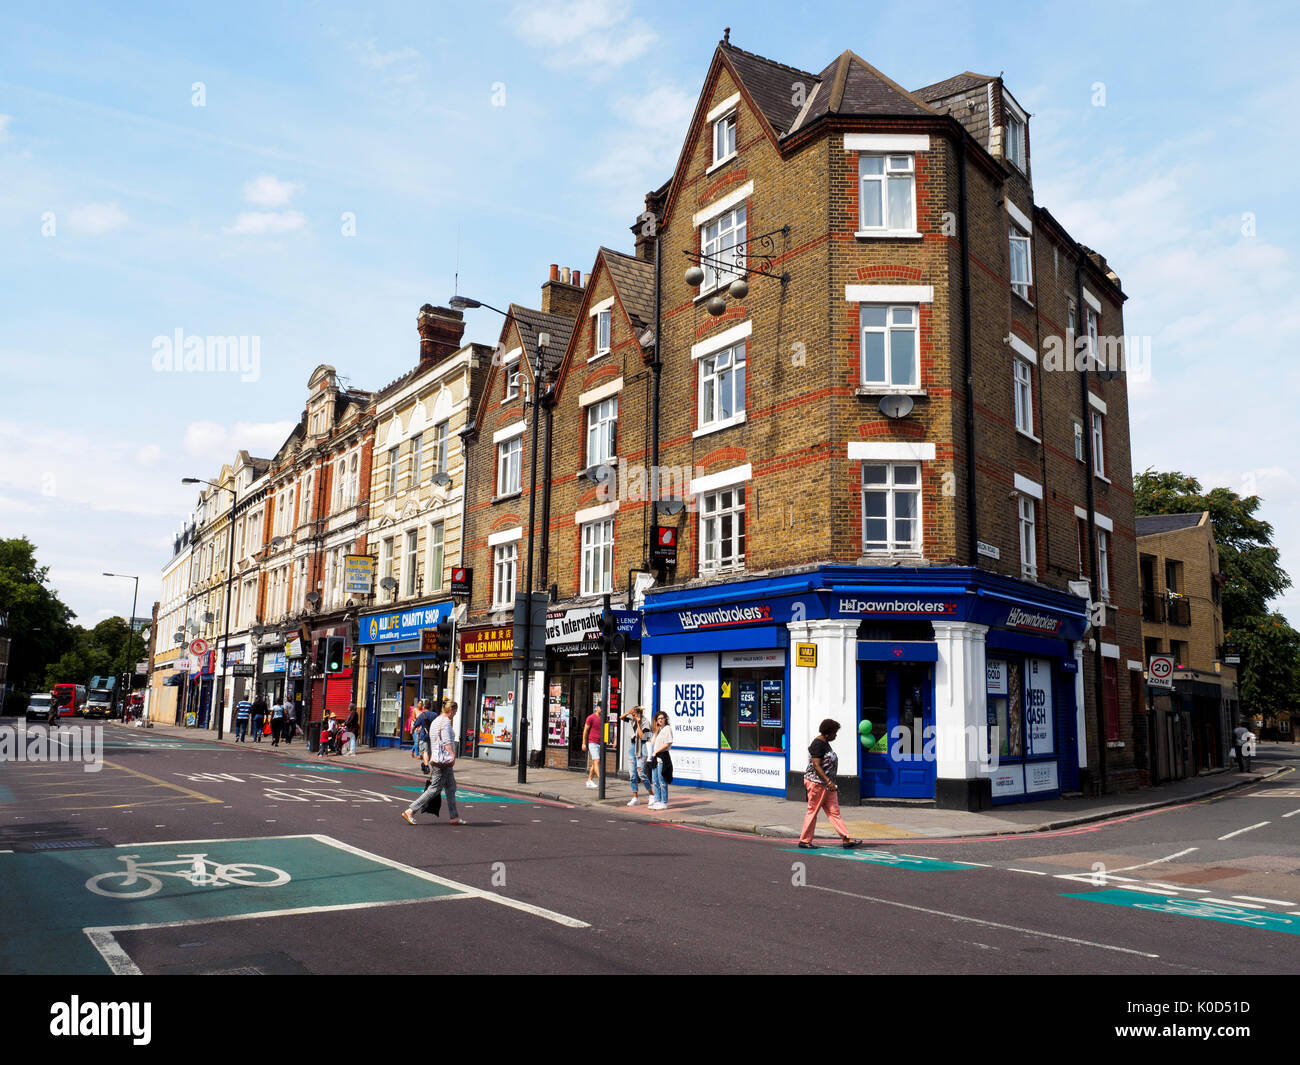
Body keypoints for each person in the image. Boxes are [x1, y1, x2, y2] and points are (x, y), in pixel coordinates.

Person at [799, 719, 862, 850]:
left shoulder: (825, 742)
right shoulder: (818, 744)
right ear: (828, 733)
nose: (836, 735)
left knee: (834, 812)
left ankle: (846, 839)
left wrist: (829, 783)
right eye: (835, 732)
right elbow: (816, 765)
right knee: (813, 810)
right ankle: (805, 841)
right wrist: (828, 781)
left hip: (828, 785)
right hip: (817, 783)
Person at [401, 701, 467, 826]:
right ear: (451, 710)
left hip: (438, 758)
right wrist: (453, 756)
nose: (455, 713)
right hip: (443, 761)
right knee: (434, 789)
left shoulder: (437, 720)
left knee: (451, 787)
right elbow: (447, 742)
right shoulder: (446, 722)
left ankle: (454, 817)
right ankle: (410, 810)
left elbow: (433, 738)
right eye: (455, 711)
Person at [619, 705, 650, 805]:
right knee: (632, 775)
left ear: (639, 714)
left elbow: (643, 737)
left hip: (642, 748)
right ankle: (635, 797)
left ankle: (651, 794)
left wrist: (638, 722)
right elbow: (621, 718)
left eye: (634, 714)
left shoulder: (645, 722)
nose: (633, 717)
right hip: (633, 747)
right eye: (632, 715)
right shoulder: (632, 720)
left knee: (641, 774)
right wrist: (628, 712)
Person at [646, 709, 674, 810]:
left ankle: (664, 802)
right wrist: (656, 732)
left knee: (662, 780)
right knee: (655, 780)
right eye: (658, 719)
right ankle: (657, 800)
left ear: (665, 719)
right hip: (656, 757)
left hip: (662, 756)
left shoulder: (667, 729)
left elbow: (668, 743)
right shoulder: (660, 730)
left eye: (662, 718)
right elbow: (652, 742)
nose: (660, 720)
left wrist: (656, 751)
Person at [583, 700, 605, 789]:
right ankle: (601, 780)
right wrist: (584, 743)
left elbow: (606, 730)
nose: (602, 709)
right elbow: (585, 730)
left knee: (594, 763)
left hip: (601, 743)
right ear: (597, 707)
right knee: (597, 761)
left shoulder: (604, 718)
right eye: (601, 708)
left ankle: (589, 781)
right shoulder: (590, 718)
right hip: (592, 742)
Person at [410, 700, 436, 774]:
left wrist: (412, 730)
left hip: (424, 735)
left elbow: (416, 724)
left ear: (424, 706)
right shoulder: (434, 715)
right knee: (429, 751)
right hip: (432, 736)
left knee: (425, 752)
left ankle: (426, 765)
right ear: (430, 707)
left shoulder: (422, 715)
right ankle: (428, 765)